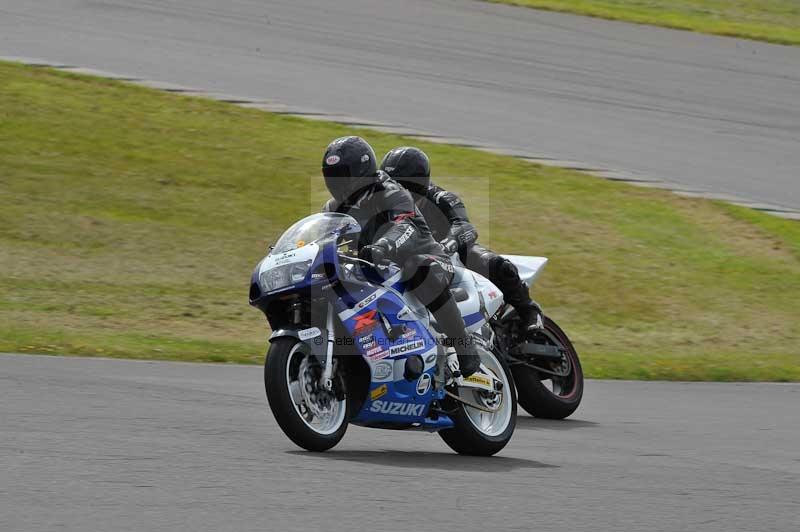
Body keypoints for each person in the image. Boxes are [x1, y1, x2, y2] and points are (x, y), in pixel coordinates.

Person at [321, 136, 480, 377]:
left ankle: (463, 345)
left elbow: (405, 225)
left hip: (429, 259)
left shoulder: (390, 191)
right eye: (333, 175)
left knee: (418, 267)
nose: (338, 182)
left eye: (343, 175)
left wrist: (384, 245)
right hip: (377, 272)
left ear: (362, 171)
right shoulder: (332, 209)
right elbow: (322, 239)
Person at [380, 146, 542, 331]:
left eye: (407, 186)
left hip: (450, 255)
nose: (400, 191)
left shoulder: (441, 198)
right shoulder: (384, 202)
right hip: (411, 260)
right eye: (393, 184)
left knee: (487, 260)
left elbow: (465, 227)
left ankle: (529, 309)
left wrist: (448, 244)